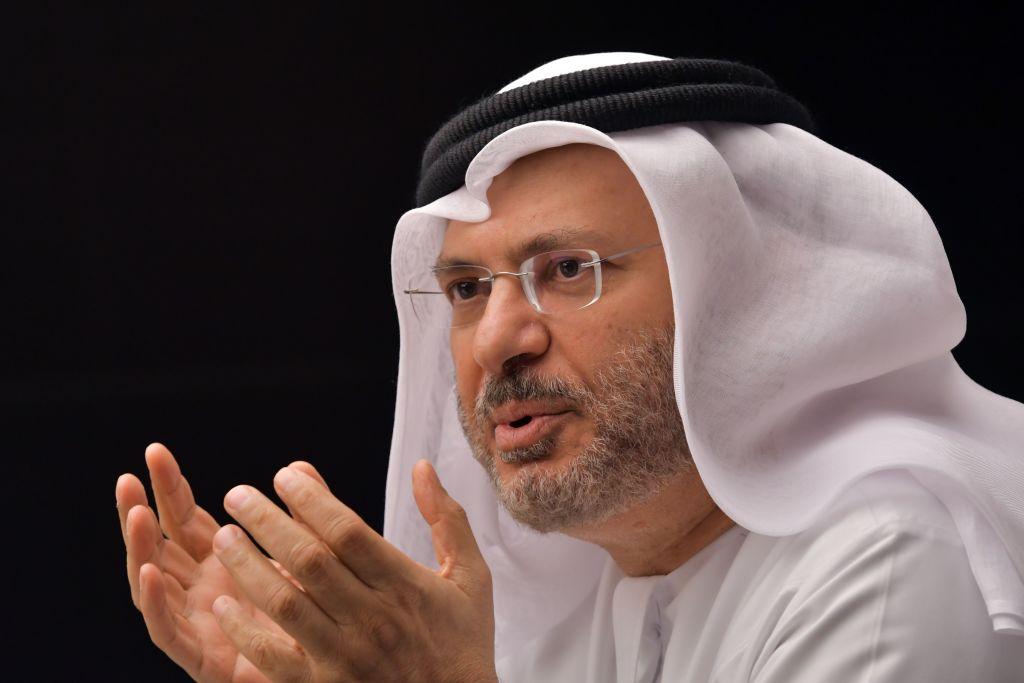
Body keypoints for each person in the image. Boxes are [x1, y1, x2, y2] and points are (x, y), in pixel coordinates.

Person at [116, 53, 1024, 681]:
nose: (495, 340)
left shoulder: (891, 555)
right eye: (467, 287)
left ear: (737, 298)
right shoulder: (563, 604)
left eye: (567, 270)